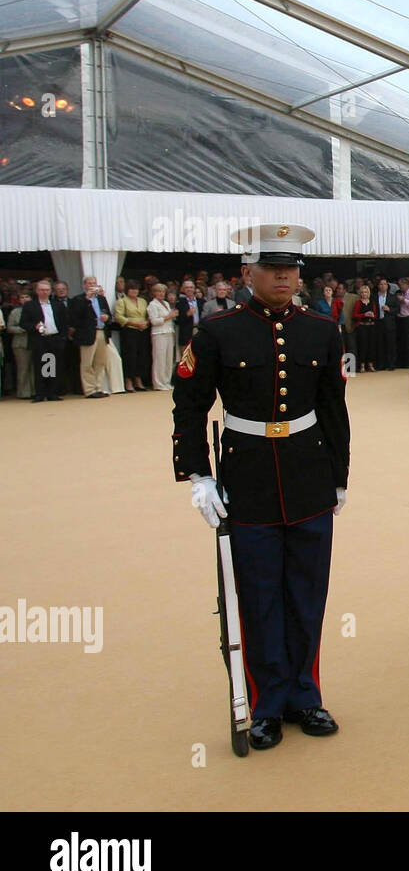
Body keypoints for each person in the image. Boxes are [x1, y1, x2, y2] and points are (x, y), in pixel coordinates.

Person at [172, 223, 350, 751]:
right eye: (272, 268)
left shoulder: (322, 329)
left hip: (309, 476)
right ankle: (266, 702)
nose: (283, 276)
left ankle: (305, 695)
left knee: (306, 593)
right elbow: (189, 406)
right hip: (247, 477)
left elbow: (333, 410)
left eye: (291, 268)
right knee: (258, 596)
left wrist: (339, 477)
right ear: (246, 272)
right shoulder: (217, 331)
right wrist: (198, 473)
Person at [20, 280, 68, 402]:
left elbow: (63, 323)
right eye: (42, 290)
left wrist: (62, 338)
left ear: (50, 291)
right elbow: (23, 323)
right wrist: (34, 327)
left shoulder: (57, 304)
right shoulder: (30, 305)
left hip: (54, 339)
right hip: (39, 339)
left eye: (47, 290)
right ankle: (40, 393)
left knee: (52, 366)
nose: (44, 292)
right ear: (36, 291)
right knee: (40, 366)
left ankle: (52, 392)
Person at [68, 276, 112, 399]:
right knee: (87, 363)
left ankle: (99, 387)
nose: (92, 285)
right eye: (89, 283)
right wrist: (87, 299)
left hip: (101, 332)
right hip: (87, 334)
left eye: (94, 283)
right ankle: (89, 389)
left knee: (101, 362)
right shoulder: (78, 299)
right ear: (84, 285)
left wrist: (107, 318)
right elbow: (75, 317)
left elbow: (109, 314)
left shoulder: (102, 299)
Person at [114, 279, 150, 392]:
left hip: (143, 330)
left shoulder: (143, 301)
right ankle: (128, 381)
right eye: (131, 289)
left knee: (142, 355)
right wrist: (134, 323)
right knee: (130, 356)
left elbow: (148, 314)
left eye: (136, 289)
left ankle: (138, 381)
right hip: (129, 331)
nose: (134, 291)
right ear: (127, 290)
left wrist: (147, 322)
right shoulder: (122, 301)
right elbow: (119, 317)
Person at [147, 282, 178, 390]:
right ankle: (158, 383)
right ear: (154, 293)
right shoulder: (152, 305)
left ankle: (166, 381)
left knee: (168, 359)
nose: (161, 293)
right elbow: (154, 321)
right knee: (159, 358)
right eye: (159, 291)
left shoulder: (166, 303)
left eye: (163, 291)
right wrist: (168, 317)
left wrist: (172, 316)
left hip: (169, 332)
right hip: (159, 333)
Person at [7, 289, 33, 399]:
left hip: (34, 342)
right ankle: (24, 393)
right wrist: (23, 329)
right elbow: (9, 328)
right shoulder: (15, 312)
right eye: (22, 297)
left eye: (27, 297)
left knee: (35, 368)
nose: (24, 299)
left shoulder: (36, 309)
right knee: (23, 368)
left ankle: (36, 391)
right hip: (20, 343)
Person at [352, 284, 378, 373]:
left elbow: (376, 315)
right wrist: (364, 314)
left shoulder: (372, 302)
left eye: (366, 292)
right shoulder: (358, 303)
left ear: (369, 293)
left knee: (372, 345)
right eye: (362, 292)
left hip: (371, 326)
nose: (364, 294)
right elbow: (354, 315)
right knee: (363, 345)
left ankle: (371, 364)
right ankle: (362, 365)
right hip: (362, 326)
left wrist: (372, 315)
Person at [375, 277, 398, 370]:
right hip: (378, 323)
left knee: (390, 344)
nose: (383, 286)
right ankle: (381, 364)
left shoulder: (392, 297)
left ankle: (391, 364)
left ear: (387, 286)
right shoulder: (374, 297)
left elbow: (397, 309)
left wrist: (389, 309)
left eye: (384, 284)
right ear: (378, 286)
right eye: (381, 284)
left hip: (389, 323)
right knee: (380, 344)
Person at [176, 279, 200, 349]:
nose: (189, 289)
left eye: (191, 287)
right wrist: (187, 315)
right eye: (186, 287)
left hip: (199, 330)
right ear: (183, 289)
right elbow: (177, 320)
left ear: (194, 289)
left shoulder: (201, 301)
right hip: (186, 332)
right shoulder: (179, 302)